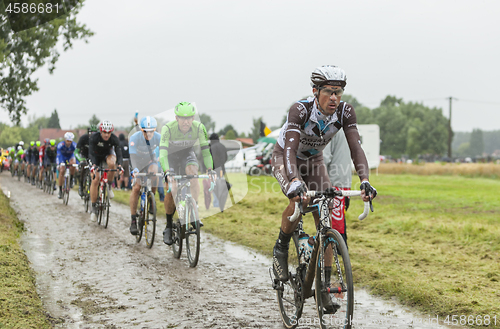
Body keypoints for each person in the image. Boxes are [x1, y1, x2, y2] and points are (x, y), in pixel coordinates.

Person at [271, 65, 377, 293]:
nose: (334, 97)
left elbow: (355, 147)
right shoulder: (300, 110)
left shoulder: (345, 112)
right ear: (315, 91)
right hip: (285, 158)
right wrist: (295, 182)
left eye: (338, 92)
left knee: (326, 209)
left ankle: (325, 283)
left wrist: (365, 180)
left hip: (314, 160)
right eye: (328, 91)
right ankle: (281, 247)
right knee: (299, 200)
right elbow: (289, 151)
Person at [159, 102, 214, 245]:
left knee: (193, 175)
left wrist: (210, 169)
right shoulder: (167, 129)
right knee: (172, 188)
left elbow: (206, 151)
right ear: (176, 118)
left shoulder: (199, 128)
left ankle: (194, 211)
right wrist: (167, 172)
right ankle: (169, 225)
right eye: (183, 119)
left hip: (187, 155)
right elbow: (163, 153)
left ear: (193, 117)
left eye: (189, 118)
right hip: (170, 157)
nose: (186, 121)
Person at [128, 116, 162, 235]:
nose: (149, 134)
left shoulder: (158, 137)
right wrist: (135, 169)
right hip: (137, 162)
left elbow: (165, 152)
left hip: (149, 160)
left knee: (155, 172)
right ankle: (133, 219)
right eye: (146, 132)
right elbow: (132, 157)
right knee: (136, 188)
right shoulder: (135, 138)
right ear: (141, 130)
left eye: (151, 131)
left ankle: (151, 198)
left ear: (155, 130)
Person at [88, 120, 123, 222]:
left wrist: (120, 165)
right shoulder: (94, 138)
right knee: (95, 180)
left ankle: (109, 186)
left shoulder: (114, 139)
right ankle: (94, 208)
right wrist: (93, 166)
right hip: (96, 157)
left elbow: (119, 153)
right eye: (105, 132)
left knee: (112, 164)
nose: (107, 135)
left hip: (107, 155)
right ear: (100, 131)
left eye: (109, 132)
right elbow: (90, 154)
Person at [322, 130, 352, 247]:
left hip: (333, 180)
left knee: (333, 222)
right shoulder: (347, 127)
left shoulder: (331, 128)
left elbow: (324, 157)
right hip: (344, 180)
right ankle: (339, 249)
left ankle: (336, 249)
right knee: (338, 220)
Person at [75, 125, 99, 196]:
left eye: (95, 133)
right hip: (84, 156)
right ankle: (81, 186)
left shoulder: (98, 139)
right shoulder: (83, 138)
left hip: (93, 156)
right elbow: (76, 151)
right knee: (84, 167)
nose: (93, 135)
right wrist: (80, 159)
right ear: (88, 133)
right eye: (91, 133)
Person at [56, 133, 78, 198]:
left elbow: (76, 155)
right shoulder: (60, 145)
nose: (69, 142)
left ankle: (71, 179)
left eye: (70, 141)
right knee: (62, 170)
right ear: (65, 140)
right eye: (67, 141)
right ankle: (60, 190)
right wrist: (58, 164)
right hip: (62, 157)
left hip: (70, 157)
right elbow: (58, 155)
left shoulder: (74, 145)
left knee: (73, 164)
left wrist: (77, 164)